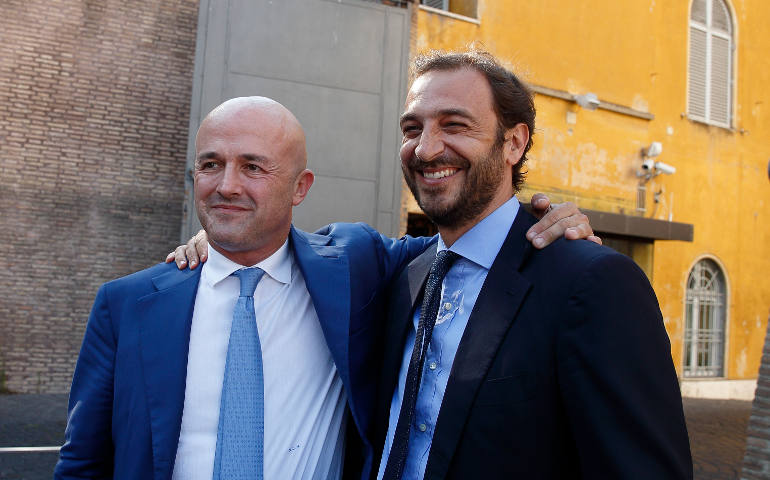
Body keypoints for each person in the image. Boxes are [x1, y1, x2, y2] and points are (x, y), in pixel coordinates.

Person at [55, 96, 595, 479]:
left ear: (300, 188)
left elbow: (470, 239)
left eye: (253, 168)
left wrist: (547, 217)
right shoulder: (126, 305)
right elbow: (83, 462)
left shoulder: (356, 267)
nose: (227, 185)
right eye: (211, 166)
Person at [368, 51, 693, 480]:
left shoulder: (592, 283)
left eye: (454, 125)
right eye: (413, 128)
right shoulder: (405, 275)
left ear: (514, 143)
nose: (426, 149)